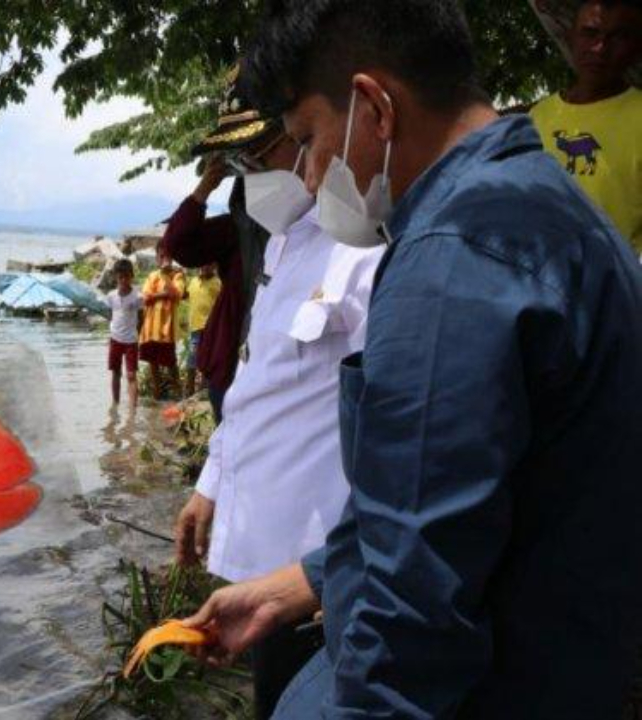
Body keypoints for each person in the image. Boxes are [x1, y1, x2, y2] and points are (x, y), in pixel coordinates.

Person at [182, 2, 642, 718]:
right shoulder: (538, 206)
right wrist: (305, 582)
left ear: (374, 108)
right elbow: (463, 496)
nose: (307, 178)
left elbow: (412, 617)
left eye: (308, 138)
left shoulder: (454, 263)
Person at [172, 111, 384, 720]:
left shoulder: (364, 246)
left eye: (254, 160)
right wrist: (211, 483)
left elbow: (387, 425)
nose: (248, 179)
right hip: (262, 550)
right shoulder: (286, 242)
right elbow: (255, 384)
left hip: (314, 568)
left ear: (306, 141)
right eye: (235, 167)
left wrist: (329, 573)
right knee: (271, 696)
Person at [164, 67, 279, 421]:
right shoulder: (238, 228)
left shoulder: (319, 229)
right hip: (229, 366)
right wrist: (203, 189)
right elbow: (180, 244)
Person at [530, 0, 642, 255]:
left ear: (636, 49)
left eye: (618, 37)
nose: (600, 48)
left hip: (617, 286)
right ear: (570, 39)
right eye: (590, 33)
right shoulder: (538, 117)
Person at [138, 249, 186, 399]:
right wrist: (163, 294)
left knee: (171, 362)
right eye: (162, 256)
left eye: (168, 256)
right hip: (151, 328)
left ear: (171, 258)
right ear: (157, 258)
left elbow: (176, 295)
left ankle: (179, 394)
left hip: (167, 329)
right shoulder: (152, 276)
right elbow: (145, 298)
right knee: (153, 363)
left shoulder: (178, 275)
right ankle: (157, 395)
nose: (165, 259)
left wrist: (165, 278)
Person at [106, 259, 142, 409]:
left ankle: (133, 410)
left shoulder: (137, 297)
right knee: (115, 373)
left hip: (130, 341)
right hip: (115, 339)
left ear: (131, 276)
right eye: (120, 277)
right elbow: (111, 315)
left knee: (131, 375)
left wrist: (137, 334)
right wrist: (111, 334)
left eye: (126, 277)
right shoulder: (111, 296)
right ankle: (115, 405)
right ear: (116, 277)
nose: (123, 280)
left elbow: (141, 318)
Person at [182, 263, 221, 397]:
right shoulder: (193, 281)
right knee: (192, 361)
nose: (205, 266)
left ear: (214, 266)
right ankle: (189, 391)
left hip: (210, 329)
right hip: (195, 329)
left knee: (206, 361)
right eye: (203, 263)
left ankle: (202, 391)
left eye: (209, 264)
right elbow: (184, 295)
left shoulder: (217, 283)